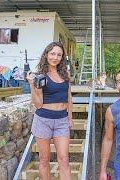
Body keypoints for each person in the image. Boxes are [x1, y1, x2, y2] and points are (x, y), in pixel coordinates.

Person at [27, 41, 73, 180]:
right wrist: (31, 85)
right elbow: (38, 104)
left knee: (64, 159)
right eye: (52, 54)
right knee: (44, 160)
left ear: (62, 57)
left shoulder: (66, 74)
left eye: (59, 55)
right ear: (46, 55)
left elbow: (69, 98)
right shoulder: (40, 76)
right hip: (43, 120)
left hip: (61, 120)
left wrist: (70, 118)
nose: (55, 57)